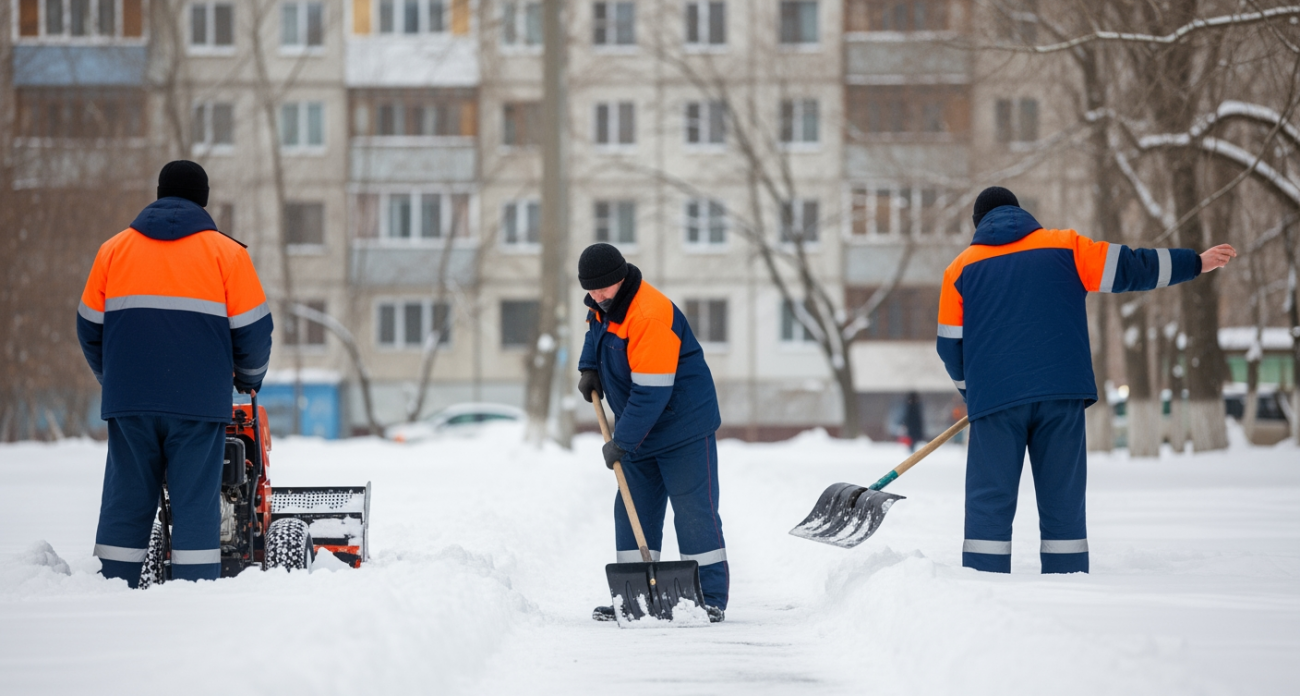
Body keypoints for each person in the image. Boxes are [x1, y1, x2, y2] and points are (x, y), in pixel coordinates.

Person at [936, 186, 1235, 574]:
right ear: (1021, 213)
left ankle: (982, 580)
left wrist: (972, 392)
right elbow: (1131, 266)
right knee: (1062, 496)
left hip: (996, 400)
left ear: (977, 224)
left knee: (989, 499)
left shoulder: (959, 269)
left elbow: (950, 346)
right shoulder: (1065, 246)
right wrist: (1193, 263)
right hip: (1061, 393)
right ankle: (1068, 580)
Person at [77, 160, 273, 587]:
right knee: (195, 503)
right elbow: (254, 332)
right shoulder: (228, 255)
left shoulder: (113, 250)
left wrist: (113, 378)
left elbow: (89, 328)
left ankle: (110, 590)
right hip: (198, 404)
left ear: (159, 194)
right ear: (204, 200)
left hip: (130, 401)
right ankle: (192, 595)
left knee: (126, 501)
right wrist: (249, 377)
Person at [575, 243, 728, 622]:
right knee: (632, 512)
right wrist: (589, 367)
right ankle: (636, 595)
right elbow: (596, 332)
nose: (597, 296)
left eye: (602, 289)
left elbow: (651, 392)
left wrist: (622, 442)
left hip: (682, 428)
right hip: (640, 427)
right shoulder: (603, 305)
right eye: (591, 290)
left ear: (620, 278)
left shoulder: (649, 315)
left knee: (693, 514)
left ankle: (709, 599)